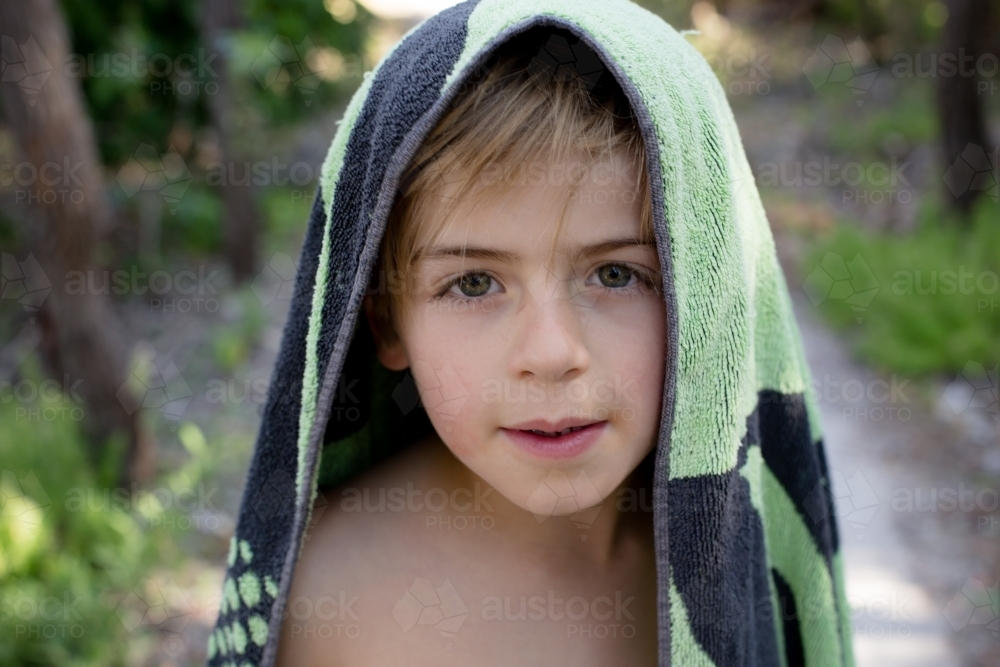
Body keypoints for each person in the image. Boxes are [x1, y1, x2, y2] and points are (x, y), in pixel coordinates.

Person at [207, 2, 855, 666]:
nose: (551, 353)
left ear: (708, 292)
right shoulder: (328, 598)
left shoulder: (750, 557)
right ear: (386, 318)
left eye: (615, 273)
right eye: (474, 284)